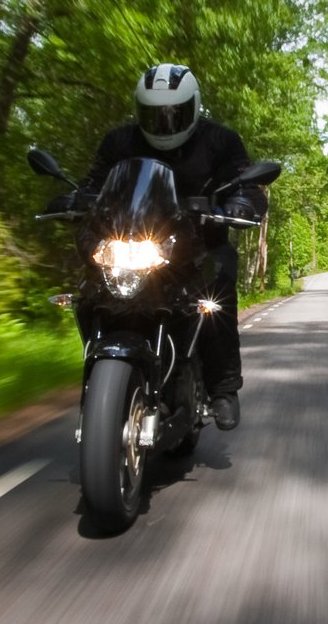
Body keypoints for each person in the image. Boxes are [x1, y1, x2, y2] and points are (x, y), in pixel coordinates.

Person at [71, 64, 265, 430]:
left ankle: (223, 386)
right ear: (138, 110)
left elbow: (247, 184)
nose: (165, 123)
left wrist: (243, 203)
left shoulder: (220, 141)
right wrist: (74, 198)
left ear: (192, 106)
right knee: (88, 288)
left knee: (218, 285)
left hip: (200, 244)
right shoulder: (119, 142)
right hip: (132, 240)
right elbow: (95, 183)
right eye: (154, 115)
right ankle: (102, 378)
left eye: (174, 113)